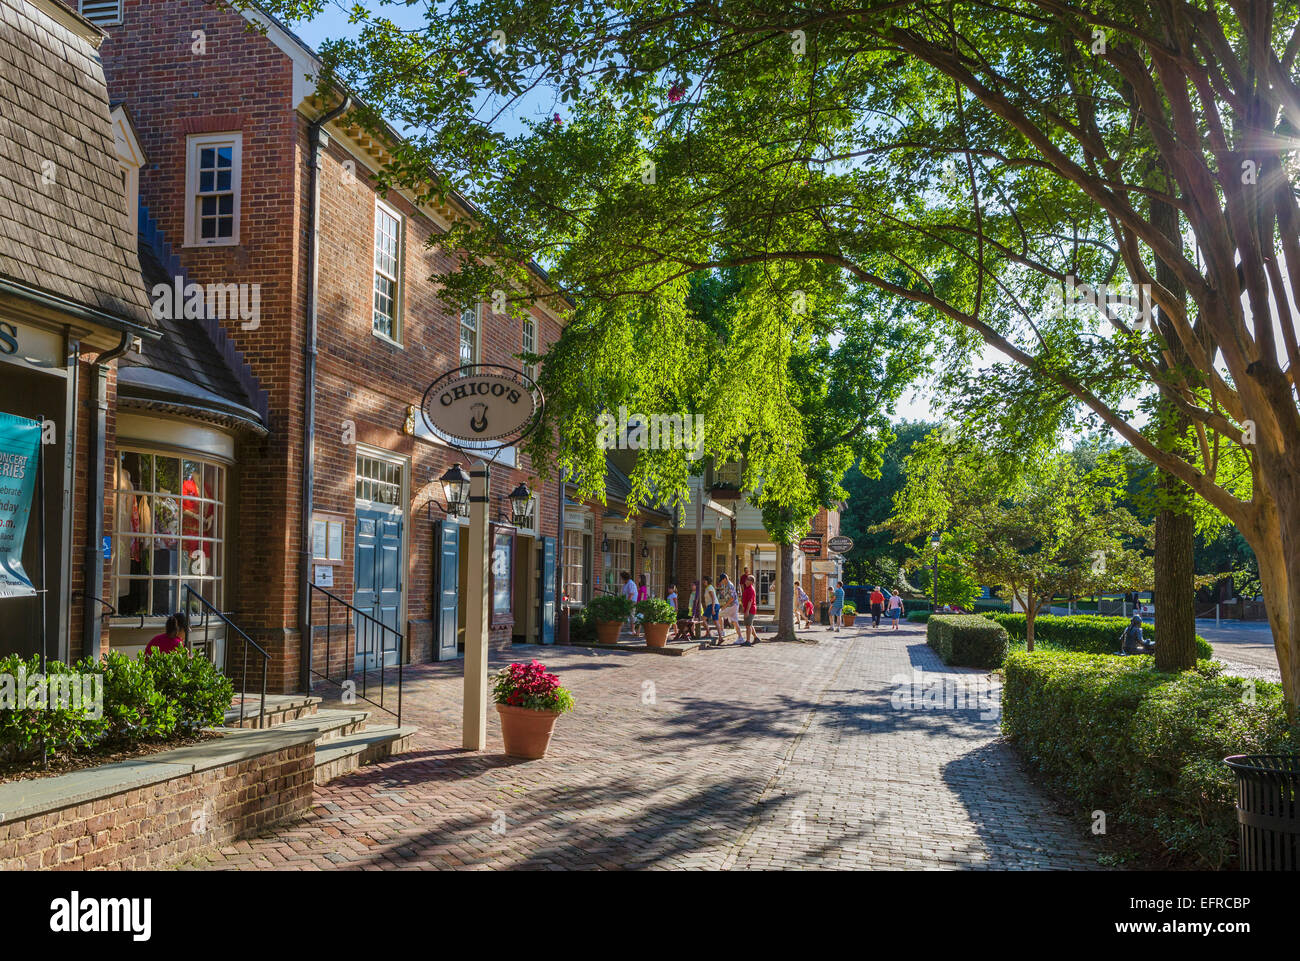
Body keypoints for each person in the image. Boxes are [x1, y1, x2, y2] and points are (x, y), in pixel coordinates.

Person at [717, 573, 743, 644]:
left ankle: (722, 632)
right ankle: (740, 638)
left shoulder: (729, 585)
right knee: (735, 622)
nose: (721, 582)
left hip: (732, 605)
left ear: (725, 579)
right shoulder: (727, 585)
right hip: (733, 605)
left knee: (719, 614)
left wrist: (725, 606)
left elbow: (732, 598)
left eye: (721, 580)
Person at [740, 573, 759, 645]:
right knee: (750, 624)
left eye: (748, 579)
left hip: (750, 609)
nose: (745, 581)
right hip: (748, 609)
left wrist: (747, 611)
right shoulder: (747, 588)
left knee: (748, 626)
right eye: (746, 579)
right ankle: (756, 638)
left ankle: (748, 641)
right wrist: (743, 608)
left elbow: (750, 601)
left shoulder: (750, 589)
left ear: (751, 582)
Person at [702, 575, 720, 643]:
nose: (703, 581)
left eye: (704, 580)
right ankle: (720, 637)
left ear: (708, 581)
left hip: (712, 605)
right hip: (715, 605)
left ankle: (708, 632)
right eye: (703, 580)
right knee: (716, 621)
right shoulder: (708, 587)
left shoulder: (709, 588)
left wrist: (712, 608)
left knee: (702, 619)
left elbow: (713, 598)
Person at [622, 571, 639, 636]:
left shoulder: (631, 583)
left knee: (632, 615)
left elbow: (631, 594)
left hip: (631, 601)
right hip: (627, 601)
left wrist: (627, 602)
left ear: (624, 578)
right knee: (625, 614)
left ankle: (633, 631)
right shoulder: (626, 584)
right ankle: (620, 628)